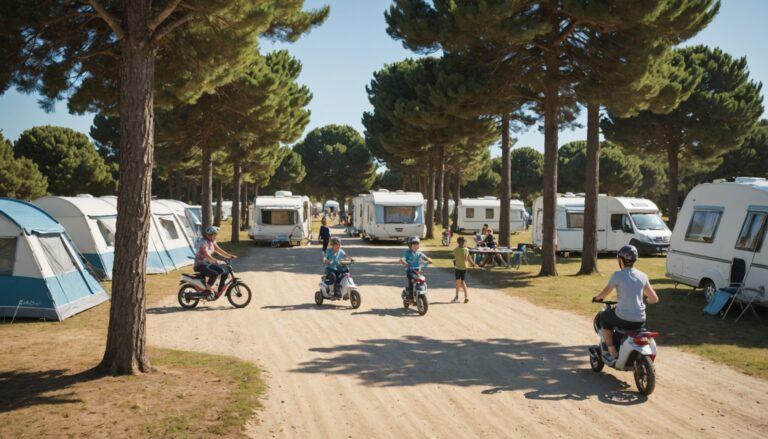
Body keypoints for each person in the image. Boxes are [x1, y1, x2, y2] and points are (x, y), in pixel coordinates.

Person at [592, 245, 660, 363]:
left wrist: (597, 298)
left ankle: (612, 350)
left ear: (620, 260)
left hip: (623, 317)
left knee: (604, 317)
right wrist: (646, 299)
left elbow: (605, 293)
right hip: (640, 319)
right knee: (614, 316)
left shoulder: (618, 275)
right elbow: (654, 299)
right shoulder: (642, 276)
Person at [194, 226, 237, 299]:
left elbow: (219, 250)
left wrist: (229, 256)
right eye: (215, 235)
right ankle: (207, 291)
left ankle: (220, 289)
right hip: (200, 265)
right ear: (210, 235)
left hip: (207, 264)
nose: (216, 236)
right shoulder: (203, 243)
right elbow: (206, 255)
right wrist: (215, 261)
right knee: (214, 274)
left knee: (223, 271)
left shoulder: (212, 242)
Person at [453, 237, 475, 303]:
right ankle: (466, 296)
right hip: (464, 268)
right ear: (463, 242)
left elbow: (455, 258)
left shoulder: (455, 250)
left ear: (458, 242)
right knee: (463, 282)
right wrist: (473, 264)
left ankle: (456, 296)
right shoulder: (466, 250)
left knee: (457, 282)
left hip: (458, 268)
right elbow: (468, 258)